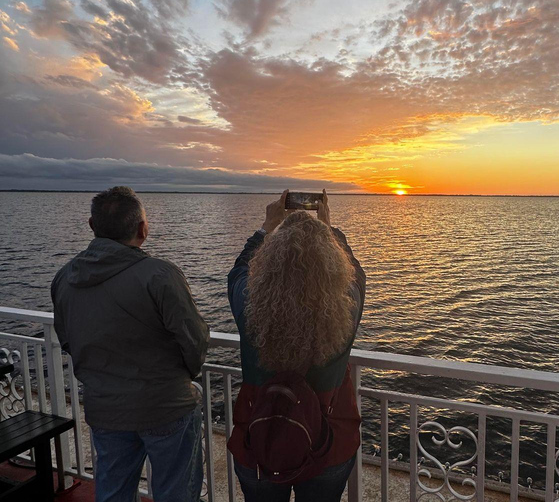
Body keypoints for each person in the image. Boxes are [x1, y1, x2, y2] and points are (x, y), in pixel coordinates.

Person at [51, 186, 209, 502]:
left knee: (113, 492)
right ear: (142, 229)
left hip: (106, 408)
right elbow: (195, 339)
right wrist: (182, 377)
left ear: (92, 226)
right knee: (176, 493)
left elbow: (67, 338)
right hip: (165, 406)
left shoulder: (64, 278)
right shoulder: (160, 274)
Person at [227, 190, 366, 502]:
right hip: (328, 442)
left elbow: (237, 272)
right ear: (332, 262)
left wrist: (266, 227)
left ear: (270, 260)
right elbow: (357, 274)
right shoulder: (346, 305)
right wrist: (329, 228)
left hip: (258, 437)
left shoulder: (249, 303)